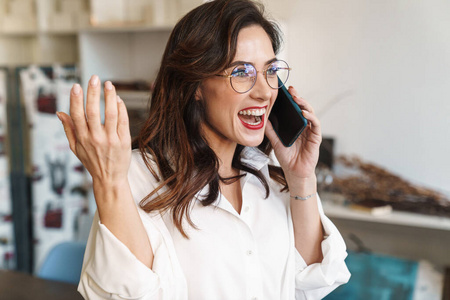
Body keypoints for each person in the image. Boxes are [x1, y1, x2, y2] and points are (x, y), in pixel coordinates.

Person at [57, 0, 350, 299]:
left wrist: (302, 179)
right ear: (195, 84)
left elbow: (313, 283)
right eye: (241, 72)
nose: (264, 92)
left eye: (270, 71)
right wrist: (109, 184)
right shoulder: (133, 177)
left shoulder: (271, 178)